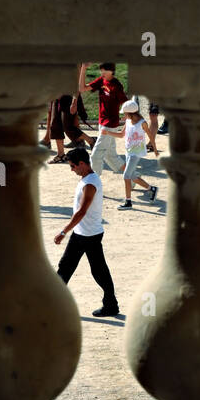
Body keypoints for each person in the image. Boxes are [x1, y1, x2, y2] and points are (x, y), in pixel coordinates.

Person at [54, 148, 120, 318]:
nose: (72, 169)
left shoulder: (90, 183)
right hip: (86, 232)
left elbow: (82, 212)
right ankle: (111, 304)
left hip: (87, 235)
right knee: (88, 269)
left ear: (82, 164)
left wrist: (63, 231)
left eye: (73, 166)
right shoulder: (86, 178)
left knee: (71, 268)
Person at [75, 62, 126, 177]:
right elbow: (82, 89)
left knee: (95, 156)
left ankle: (93, 184)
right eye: (101, 70)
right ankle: (133, 178)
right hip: (102, 123)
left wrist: (126, 115)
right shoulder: (101, 81)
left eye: (104, 70)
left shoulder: (117, 85)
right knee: (111, 157)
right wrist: (83, 68)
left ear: (111, 71)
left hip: (110, 125)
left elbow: (125, 102)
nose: (101, 72)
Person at [118, 99, 158, 210]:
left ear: (130, 113)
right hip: (129, 151)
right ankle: (151, 189)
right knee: (132, 176)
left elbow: (151, 136)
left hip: (136, 153)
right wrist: (107, 133)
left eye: (125, 113)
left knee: (126, 176)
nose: (124, 115)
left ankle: (128, 202)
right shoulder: (128, 121)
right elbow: (121, 135)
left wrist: (155, 150)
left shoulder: (142, 123)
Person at [42, 93, 93, 163]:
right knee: (55, 125)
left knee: (68, 127)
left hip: (69, 97)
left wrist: (74, 102)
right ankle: (61, 155)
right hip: (56, 97)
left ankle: (90, 140)